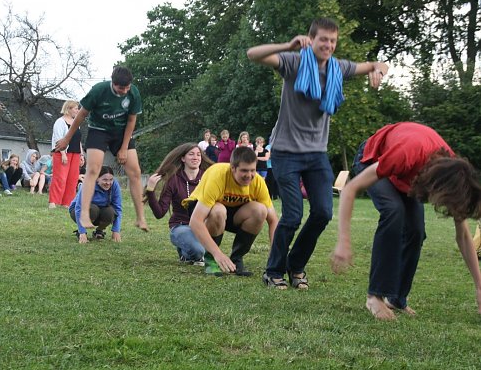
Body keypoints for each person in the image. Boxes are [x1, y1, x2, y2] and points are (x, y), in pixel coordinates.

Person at [247, 17, 389, 289]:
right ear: (312, 40)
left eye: (333, 40)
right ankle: (273, 270)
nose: (329, 45)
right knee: (291, 215)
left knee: (323, 212)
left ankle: (295, 265)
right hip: (286, 151)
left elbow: (378, 64)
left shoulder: (338, 68)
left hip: (316, 154)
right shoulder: (294, 62)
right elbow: (253, 54)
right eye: (323, 39)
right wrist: (288, 45)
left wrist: (379, 71)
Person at [331, 122, 481, 320]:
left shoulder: (453, 173)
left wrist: (479, 286)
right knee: (394, 210)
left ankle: (396, 299)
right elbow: (350, 189)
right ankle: (374, 296)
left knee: (416, 230)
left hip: (409, 172)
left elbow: (462, 235)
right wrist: (343, 242)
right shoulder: (406, 154)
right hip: (372, 158)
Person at [55, 66, 148, 232]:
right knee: (93, 169)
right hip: (99, 131)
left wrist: (124, 148)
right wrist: (67, 139)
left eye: (127, 88)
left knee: (135, 172)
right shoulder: (99, 90)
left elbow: (132, 121)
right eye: (121, 88)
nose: (125, 91)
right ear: (113, 83)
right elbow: (81, 116)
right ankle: (84, 213)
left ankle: (140, 217)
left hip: (121, 133)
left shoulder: (133, 92)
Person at [183, 146, 278, 276]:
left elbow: (273, 220)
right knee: (218, 211)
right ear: (233, 168)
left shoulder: (258, 181)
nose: (249, 176)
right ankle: (211, 260)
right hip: (205, 210)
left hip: (233, 214)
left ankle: (236, 260)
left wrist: (275, 256)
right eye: (244, 170)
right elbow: (195, 221)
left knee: (260, 210)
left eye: (252, 170)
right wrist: (218, 253)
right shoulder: (217, 175)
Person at [144, 143, 213, 266]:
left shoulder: (209, 177)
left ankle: (185, 250)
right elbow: (159, 213)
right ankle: (188, 246)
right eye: (191, 154)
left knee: (202, 253)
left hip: (204, 227)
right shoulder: (173, 180)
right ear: (183, 158)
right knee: (199, 252)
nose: (195, 157)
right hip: (181, 226)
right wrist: (150, 190)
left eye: (198, 155)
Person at [69, 166, 122, 244]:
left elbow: (118, 209)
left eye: (111, 180)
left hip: (101, 211)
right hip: (80, 212)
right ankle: (82, 232)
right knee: (93, 209)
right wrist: (82, 232)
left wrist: (116, 230)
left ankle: (99, 231)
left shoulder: (114, 185)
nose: (108, 183)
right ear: (97, 179)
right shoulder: (87, 184)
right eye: (105, 180)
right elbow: (78, 208)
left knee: (110, 212)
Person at [49, 100, 82, 209]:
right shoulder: (60, 121)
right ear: (68, 109)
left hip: (75, 153)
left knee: (72, 179)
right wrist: (63, 153)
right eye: (75, 108)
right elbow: (58, 138)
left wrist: (81, 155)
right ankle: (53, 201)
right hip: (62, 153)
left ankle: (67, 203)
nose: (77, 110)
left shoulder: (76, 122)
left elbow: (79, 140)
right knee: (60, 178)